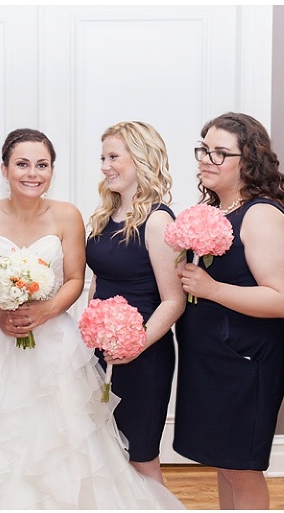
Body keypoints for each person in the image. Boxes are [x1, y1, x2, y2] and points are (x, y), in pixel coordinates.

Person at [0, 128, 184, 509]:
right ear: (4, 168)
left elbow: (75, 279)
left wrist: (45, 310)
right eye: (22, 164)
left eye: (42, 165)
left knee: (66, 442)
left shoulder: (69, 215)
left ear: (52, 170)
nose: (32, 173)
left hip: (55, 344)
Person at [174, 112, 284, 509]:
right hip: (211, 356)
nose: (207, 159)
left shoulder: (260, 214)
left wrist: (210, 289)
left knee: (241, 467)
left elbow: (282, 300)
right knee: (224, 464)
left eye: (220, 153)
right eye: (204, 149)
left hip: (247, 359)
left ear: (248, 160)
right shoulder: (214, 210)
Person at [85, 121, 185, 483]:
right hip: (100, 350)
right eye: (103, 157)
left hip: (145, 355)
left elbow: (174, 301)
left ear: (141, 158)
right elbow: (98, 283)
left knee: (140, 457)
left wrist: (134, 344)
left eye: (114, 156)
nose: (105, 165)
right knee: (107, 456)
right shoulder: (102, 218)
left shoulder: (158, 221)